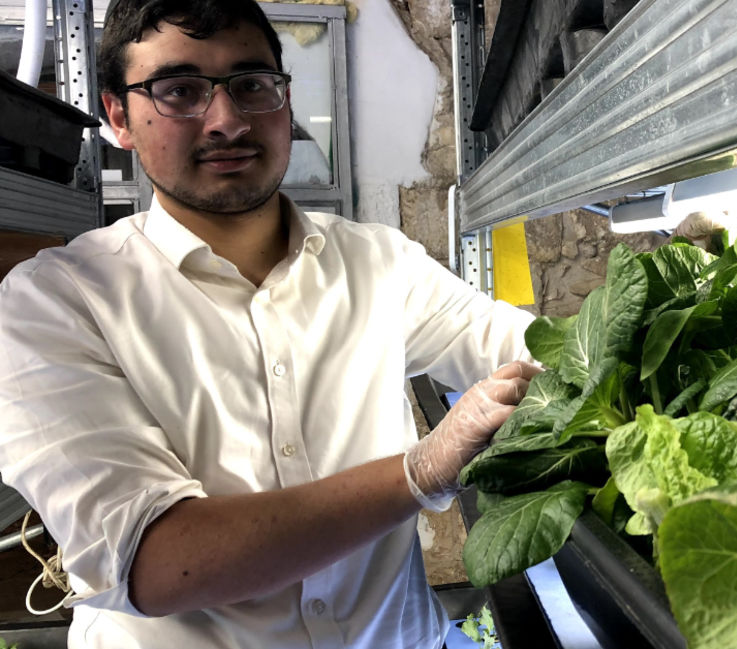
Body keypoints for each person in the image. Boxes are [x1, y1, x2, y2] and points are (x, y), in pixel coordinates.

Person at [0, 0, 538, 646]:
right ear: (118, 115)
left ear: (284, 100)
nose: (226, 120)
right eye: (179, 90)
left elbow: (515, 344)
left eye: (251, 85)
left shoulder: (376, 261)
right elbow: (158, 558)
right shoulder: (55, 301)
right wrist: (417, 473)